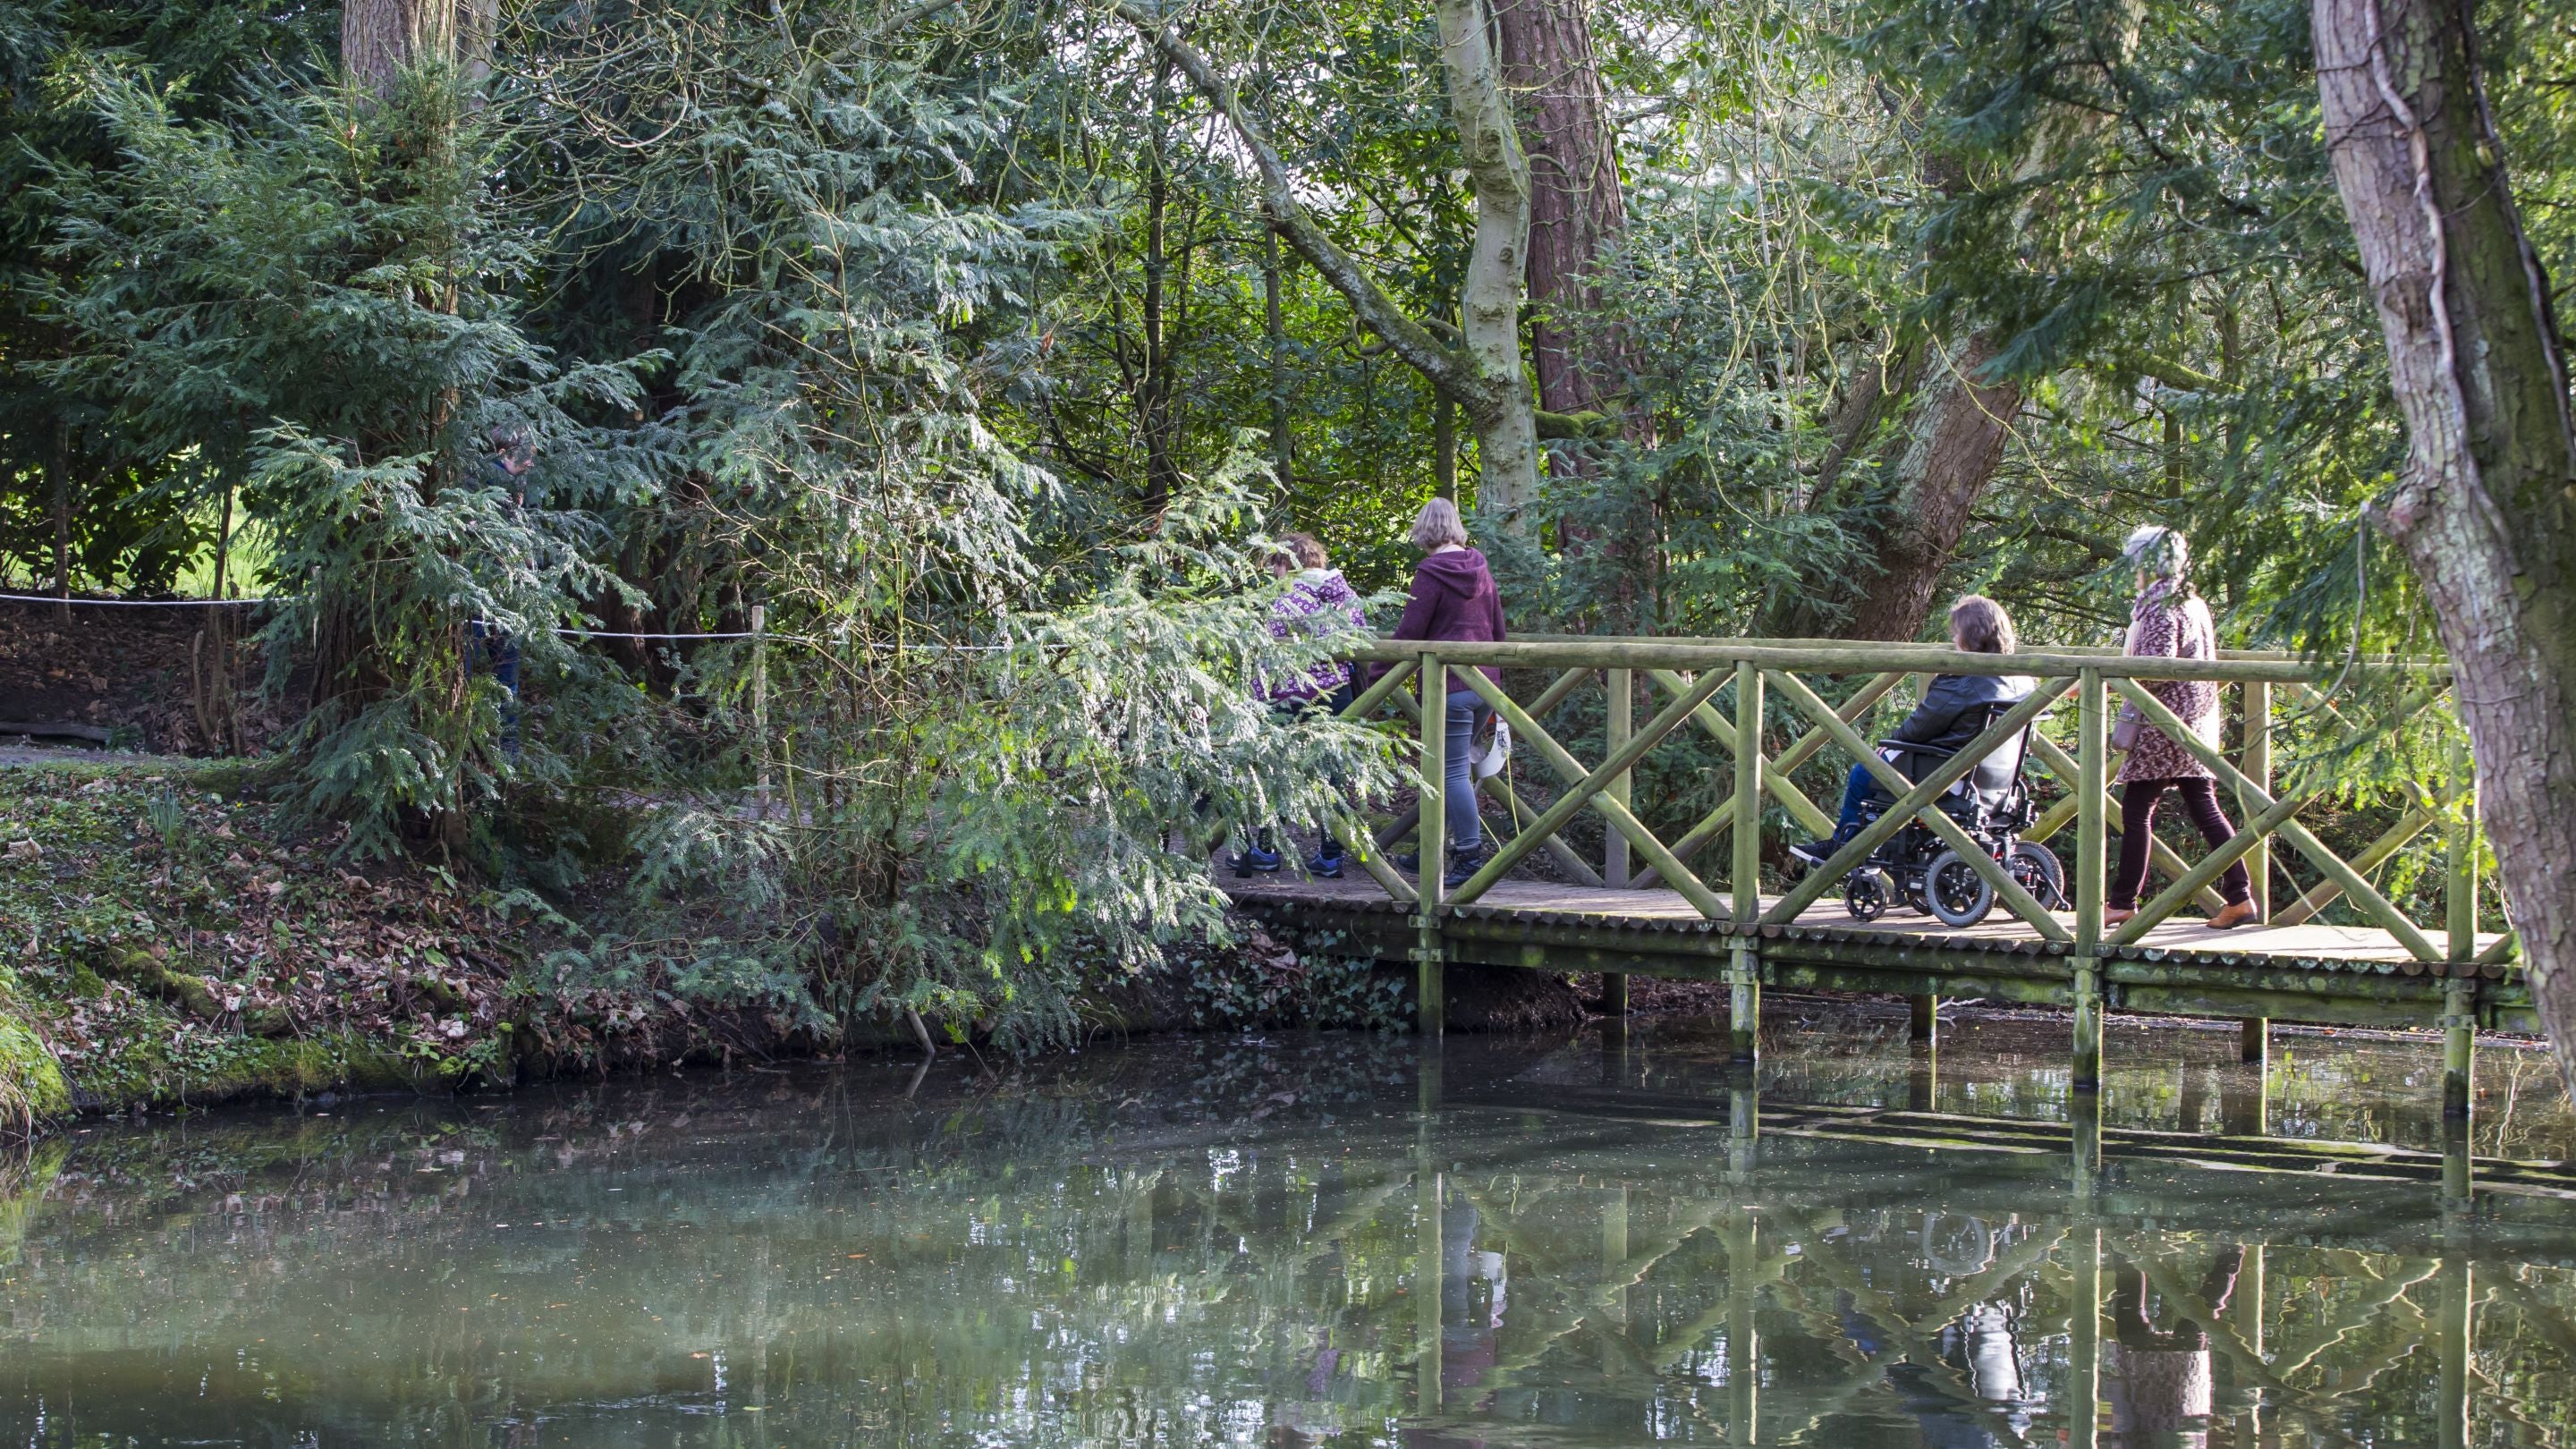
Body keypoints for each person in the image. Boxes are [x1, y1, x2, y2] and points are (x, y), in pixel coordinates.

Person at [1790, 595, 2031, 869]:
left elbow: (1920, 727)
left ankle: (1846, 848)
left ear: (1970, 634)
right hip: (1998, 782)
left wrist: (1892, 743)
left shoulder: (1962, 681)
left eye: (1956, 634)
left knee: (1864, 773)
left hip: (1949, 773)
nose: (1953, 641)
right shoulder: (2022, 679)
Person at [2106, 526, 2258, 930]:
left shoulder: (2160, 602)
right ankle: (2239, 897)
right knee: (2203, 807)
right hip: (2193, 719)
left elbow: (2154, 666)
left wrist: (2106, 679)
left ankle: (2122, 902)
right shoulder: (2190, 598)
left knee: (2137, 810)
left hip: (2165, 722)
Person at [1378, 497, 1507, 889]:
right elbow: (1498, 629)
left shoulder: (1431, 572)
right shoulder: (1480, 567)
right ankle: (1429, 851)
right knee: (1448, 771)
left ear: (1424, 530)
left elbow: (1410, 632)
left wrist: (1378, 676)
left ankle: (1469, 855)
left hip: (1449, 687)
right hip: (1484, 684)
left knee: (1449, 772)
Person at [1235, 532, 1368, 877]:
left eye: (1275, 565)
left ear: (1286, 562)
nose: (1274, 573)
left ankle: (1265, 848)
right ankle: (1331, 854)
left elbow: (1271, 652)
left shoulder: (1289, 595)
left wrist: (1254, 698)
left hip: (1288, 695)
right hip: (1337, 692)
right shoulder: (1343, 592)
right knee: (1333, 773)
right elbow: (1360, 635)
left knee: (1279, 771)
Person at [470, 426, 534, 758]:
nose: (530, 463)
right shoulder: (481, 482)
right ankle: (474, 750)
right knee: (468, 673)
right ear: (504, 451)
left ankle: (507, 753)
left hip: (508, 598)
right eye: (526, 455)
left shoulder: (520, 486)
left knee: (507, 678)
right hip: (476, 596)